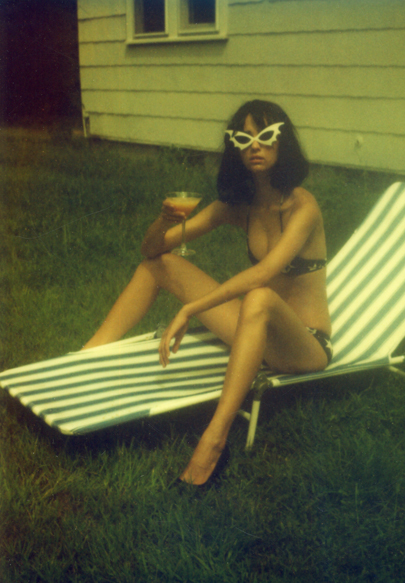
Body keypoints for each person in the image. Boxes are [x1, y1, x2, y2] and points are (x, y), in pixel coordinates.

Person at [83, 100, 332, 487]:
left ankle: (213, 442)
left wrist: (190, 310)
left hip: (305, 345)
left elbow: (263, 274)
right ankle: (85, 358)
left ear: (283, 143)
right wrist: (164, 220)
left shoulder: (303, 206)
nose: (255, 146)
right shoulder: (239, 207)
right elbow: (152, 251)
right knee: (160, 267)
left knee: (259, 296)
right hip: (257, 332)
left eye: (266, 136)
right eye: (244, 139)